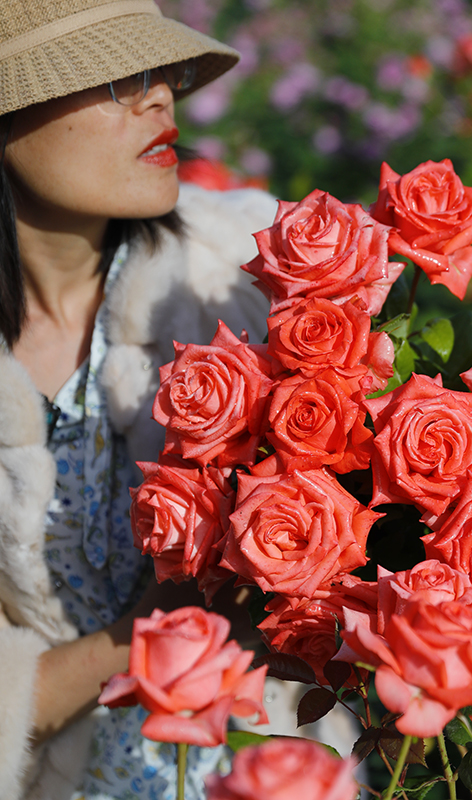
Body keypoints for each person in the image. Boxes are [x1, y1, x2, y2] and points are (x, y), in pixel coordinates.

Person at [0, 2, 355, 798]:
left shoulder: (252, 276)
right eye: (117, 76)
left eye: (162, 69)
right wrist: (164, 628)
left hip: (281, 767)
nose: (161, 96)